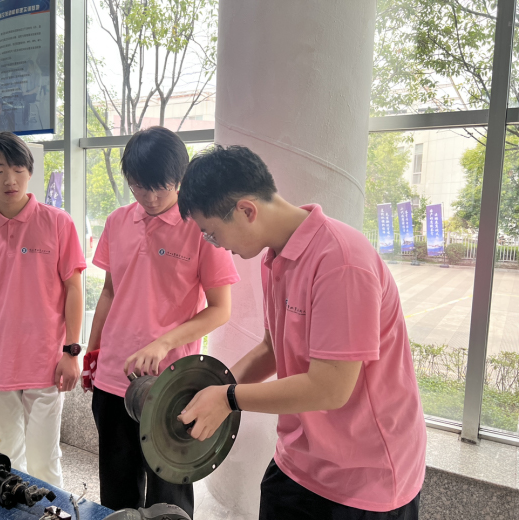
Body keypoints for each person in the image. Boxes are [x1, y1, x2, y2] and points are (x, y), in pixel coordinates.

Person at [176, 145, 426, 519]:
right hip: (300, 458)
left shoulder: (340, 262)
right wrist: (214, 387)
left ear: (246, 210)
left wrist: (228, 398)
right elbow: (272, 348)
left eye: (213, 234)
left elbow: (331, 388)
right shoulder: (275, 259)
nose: (218, 246)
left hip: (364, 477)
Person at [84, 127, 240, 518]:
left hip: (172, 386)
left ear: (180, 178)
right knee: (116, 495)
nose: (151, 197)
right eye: (140, 187)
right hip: (113, 380)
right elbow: (109, 292)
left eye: (162, 187)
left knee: (169, 503)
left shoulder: (201, 227)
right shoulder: (117, 222)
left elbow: (220, 309)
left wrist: (164, 342)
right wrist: (92, 351)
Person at [0, 132, 86, 488]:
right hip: (0, 366)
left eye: (17, 169)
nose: (9, 179)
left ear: (29, 172)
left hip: (46, 364)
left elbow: (74, 289)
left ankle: (50, 512)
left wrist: (72, 351)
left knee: (44, 462)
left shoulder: (58, 223)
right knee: (6, 460)